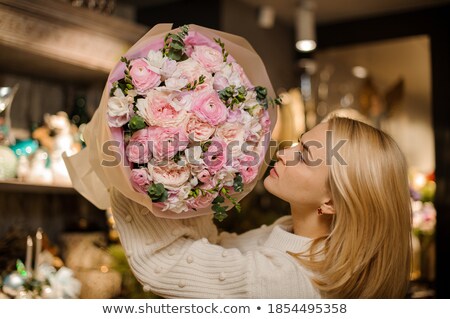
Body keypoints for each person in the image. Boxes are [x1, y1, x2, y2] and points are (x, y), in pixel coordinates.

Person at [110, 116, 412, 298]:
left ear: (332, 202)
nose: (285, 153)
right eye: (299, 143)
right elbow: (212, 249)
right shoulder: (285, 233)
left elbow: (164, 262)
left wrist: (127, 168)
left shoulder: (288, 281)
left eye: (305, 157)